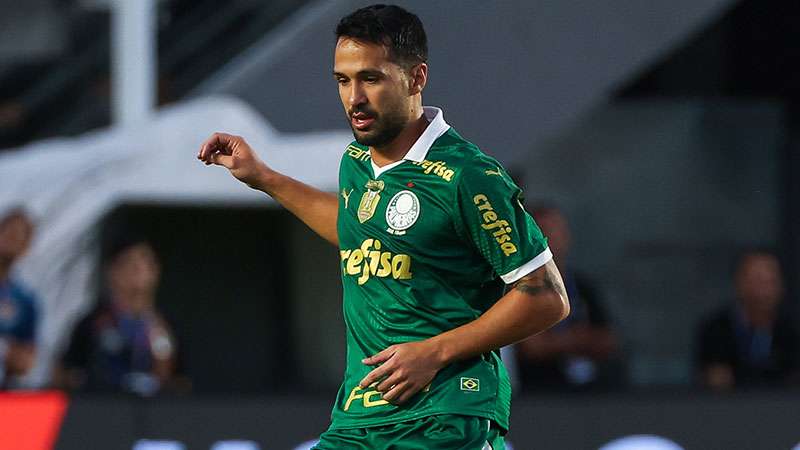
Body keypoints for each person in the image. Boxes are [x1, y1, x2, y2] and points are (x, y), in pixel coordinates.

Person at [197, 5, 569, 449]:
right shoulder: (356, 161)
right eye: (342, 80)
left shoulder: (469, 176)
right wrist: (265, 178)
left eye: (370, 78)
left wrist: (435, 351)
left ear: (416, 78)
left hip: (444, 415)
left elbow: (546, 296)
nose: (354, 98)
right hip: (359, 417)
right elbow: (355, 229)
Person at [514, 205, 618, 390]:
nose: (552, 238)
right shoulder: (517, 287)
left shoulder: (582, 286)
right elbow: (532, 348)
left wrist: (557, 341)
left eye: (557, 230)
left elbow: (608, 340)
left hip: (589, 390)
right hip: (538, 393)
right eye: (544, 231)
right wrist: (577, 339)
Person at [59, 236, 177, 396]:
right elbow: (67, 373)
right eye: (129, 263)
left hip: (153, 414)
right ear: (112, 272)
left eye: (145, 263)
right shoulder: (93, 323)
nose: (138, 269)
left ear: (155, 272)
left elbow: (178, 380)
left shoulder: (167, 325)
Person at [694, 249, 799, 390]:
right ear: (740, 283)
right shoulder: (716, 329)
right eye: (758, 281)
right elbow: (714, 380)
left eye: (770, 282)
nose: (764, 291)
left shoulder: (791, 330)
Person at [0, 208, 39, 388]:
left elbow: (25, 363)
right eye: (9, 232)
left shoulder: (25, 300)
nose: (13, 239)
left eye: (20, 236)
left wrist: (15, 357)